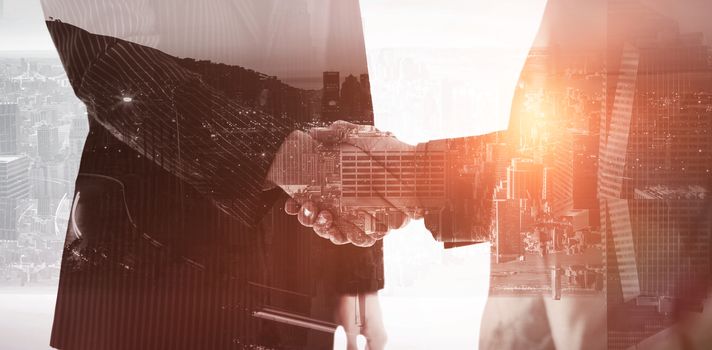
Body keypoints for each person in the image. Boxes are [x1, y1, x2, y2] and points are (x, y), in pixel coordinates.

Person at [41, 1, 398, 349]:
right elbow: (107, 60)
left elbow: (339, 64)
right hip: (152, 276)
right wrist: (300, 163)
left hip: (298, 273)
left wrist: (356, 273)